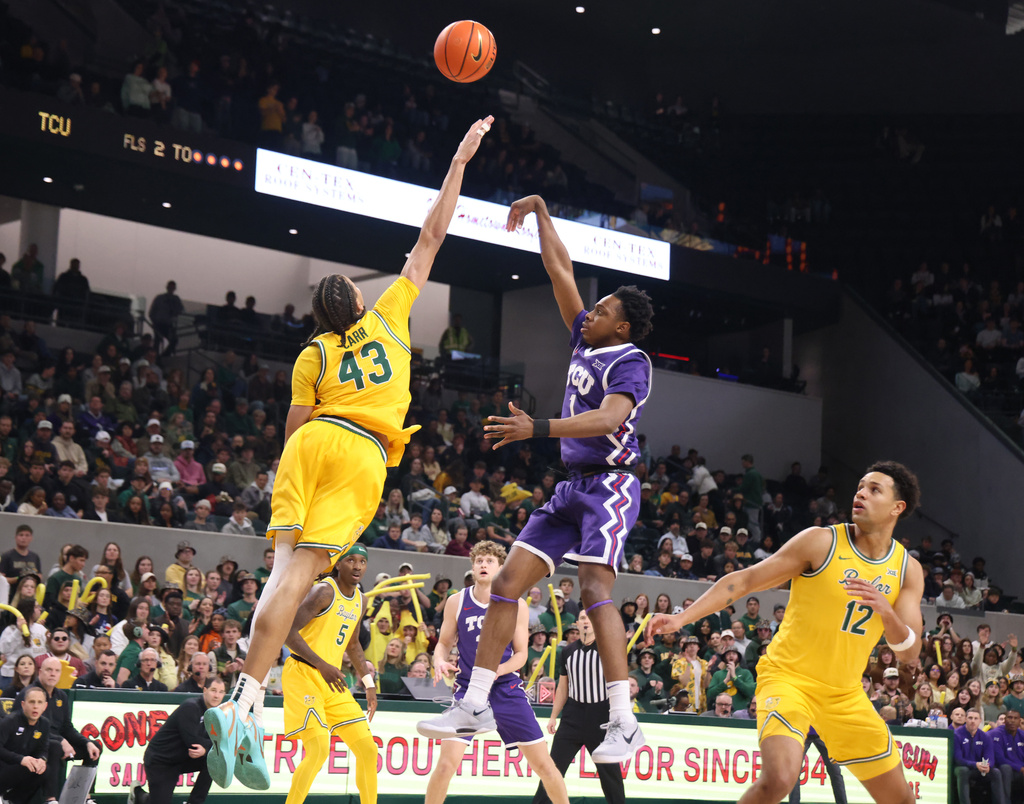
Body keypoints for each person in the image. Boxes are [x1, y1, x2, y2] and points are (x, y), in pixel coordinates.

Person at [204, 114, 495, 791]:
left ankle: (244, 703)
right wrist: (459, 158)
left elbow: (295, 426)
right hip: (359, 451)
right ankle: (246, 706)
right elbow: (432, 234)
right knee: (304, 580)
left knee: (279, 578)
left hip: (306, 446)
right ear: (358, 302)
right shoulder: (390, 317)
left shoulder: (313, 351)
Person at [417, 193, 655, 763]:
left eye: (600, 310)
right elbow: (560, 270)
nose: (589, 313)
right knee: (504, 585)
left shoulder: (631, 359)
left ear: (620, 324)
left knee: (597, 590)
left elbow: (609, 419)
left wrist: (538, 427)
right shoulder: (583, 339)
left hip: (611, 485)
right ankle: (474, 702)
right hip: (572, 486)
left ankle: (624, 720)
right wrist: (544, 216)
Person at [647, 461, 925, 804]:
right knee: (778, 779)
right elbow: (745, 580)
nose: (861, 493)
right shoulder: (820, 542)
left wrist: (886, 611)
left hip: (845, 695)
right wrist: (681, 618)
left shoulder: (907, 570)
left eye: (874, 490)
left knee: (901, 800)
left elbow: (910, 653)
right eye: (860, 486)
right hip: (789, 679)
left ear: (898, 507)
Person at [422, 542, 568, 804]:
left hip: (505, 689)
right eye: (479, 561)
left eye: (490, 561)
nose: (483, 565)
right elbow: (443, 643)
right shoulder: (457, 601)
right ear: (472, 567)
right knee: (445, 766)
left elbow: (522, 655)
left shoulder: (517, 605)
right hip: (467, 690)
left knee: (545, 765)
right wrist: (439, 661)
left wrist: (491, 671)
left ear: (501, 568)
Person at [281, 544, 378, 804]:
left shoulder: (361, 599)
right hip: (303, 673)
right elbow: (288, 633)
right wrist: (322, 664)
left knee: (368, 750)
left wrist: (368, 683)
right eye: (351, 561)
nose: (357, 566)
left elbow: (354, 643)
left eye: (362, 561)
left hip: (332, 681)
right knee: (318, 749)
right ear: (338, 564)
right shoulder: (323, 591)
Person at [533, 608, 624, 804]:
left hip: (601, 717)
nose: (586, 621)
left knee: (611, 776)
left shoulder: (609, 647)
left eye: (590, 618)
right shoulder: (567, 651)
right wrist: (553, 716)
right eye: (583, 617)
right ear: (577, 622)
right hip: (572, 716)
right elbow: (563, 687)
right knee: (552, 769)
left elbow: (618, 682)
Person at [17, 658, 101, 802]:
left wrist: (86, 742)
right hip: (30, 743)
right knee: (55, 746)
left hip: (56, 742)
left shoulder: (61, 696)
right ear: (40, 672)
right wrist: (61, 740)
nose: (53, 674)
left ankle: (83, 796)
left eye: (56, 671)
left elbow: (67, 727)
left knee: (94, 747)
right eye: (49, 670)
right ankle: (50, 798)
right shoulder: (30, 694)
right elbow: (31, 727)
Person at [131, 677, 225, 804]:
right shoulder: (190, 707)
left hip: (181, 758)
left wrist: (207, 749)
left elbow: (219, 741)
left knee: (216, 759)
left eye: (221, 692)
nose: (216, 696)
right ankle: (138, 794)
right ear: (205, 690)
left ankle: (194, 802)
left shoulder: (216, 714)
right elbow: (192, 743)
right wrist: (208, 747)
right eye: (214, 690)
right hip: (161, 761)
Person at [0, 685, 50, 804]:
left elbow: (43, 748)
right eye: (32, 702)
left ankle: (14, 800)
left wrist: (42, 759)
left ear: (45, 706)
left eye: (39, 702)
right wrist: (21, 759)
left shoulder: (44, 724)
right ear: (23, 704)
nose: (35, 706)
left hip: (20, 767)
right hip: (3, 767)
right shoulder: (9, 721)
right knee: (27, 767)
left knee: (43, 770)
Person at [954, 709, 1006, 804]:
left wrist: (987, 765)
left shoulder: (985, 736)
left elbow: (990, 756)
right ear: (965, 719)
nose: (973, 721)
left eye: (975, 718)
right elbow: (958, 759)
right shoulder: (957, 734)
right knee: (962, 771)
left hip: (979, 768)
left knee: (996, 772)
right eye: (970, 718)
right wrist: (975, 764)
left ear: (980, 721)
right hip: (964, 767)